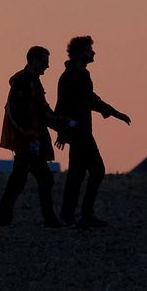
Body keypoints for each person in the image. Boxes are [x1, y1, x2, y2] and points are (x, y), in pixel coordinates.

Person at [0, 45, 75, 227]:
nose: (47, 66)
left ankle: (3, 219)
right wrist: (29, 134)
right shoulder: (23, 82)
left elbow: (42, 111)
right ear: (35, 61)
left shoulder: (33, 82)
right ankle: (48, 219)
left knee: (20, 181)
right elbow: (17, 113)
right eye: (45, 62)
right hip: (27, 143)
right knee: (42, 179)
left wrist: (60, 122)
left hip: (30, 142)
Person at [55, 35, 130, 227]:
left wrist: (114, 112)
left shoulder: (82, 75)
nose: (93, 52)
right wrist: (62, 132)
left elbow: (90, 99)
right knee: (97, 170)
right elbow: (62, 106)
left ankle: (69, 215)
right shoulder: (70, 76)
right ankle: (84, 215)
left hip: (84, 132)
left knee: (77, 174)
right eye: (90, 49)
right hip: (79, 134)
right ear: (81, 53)